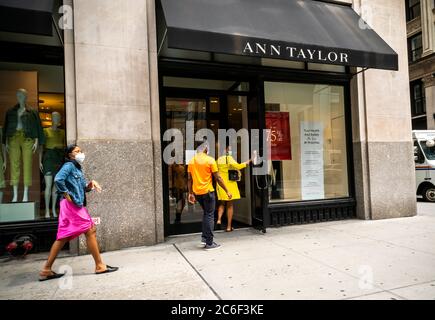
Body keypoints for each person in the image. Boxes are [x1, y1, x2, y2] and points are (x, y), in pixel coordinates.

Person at [39, 144, 118, 281]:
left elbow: (82, 188)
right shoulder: (69, 166)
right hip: (72, 205)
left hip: (72, 205)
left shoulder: (77, 168)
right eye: (77, 151)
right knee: (90, 229)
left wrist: (91, 184)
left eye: (81, 151)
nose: (80, 153)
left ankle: (47, 269)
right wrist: (65, 193)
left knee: (64, 236)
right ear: (70, 154)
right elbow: (58, 179)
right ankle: (99, 265)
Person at [188, 142, 232, 250]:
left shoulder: (191, 161)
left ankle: (204, 238)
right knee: (209, 215)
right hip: (208, 192)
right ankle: (209, 243)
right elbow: (218, 178)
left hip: (198, 193)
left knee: (206, 214)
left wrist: (190, 193)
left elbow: (189, 179)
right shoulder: (210, 160)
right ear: (205, 149)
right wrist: (227, 190)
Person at [216, 145, 251, 232]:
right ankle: (228, 227)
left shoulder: (218, 159)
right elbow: (238, 166)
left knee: (222, 203)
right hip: (229, 183)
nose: (231, 151)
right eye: (230, 149)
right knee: (230, 205)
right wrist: (249, 161)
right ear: (226, 150)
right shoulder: (229, 158)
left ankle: (219, 219)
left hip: (220, 184)